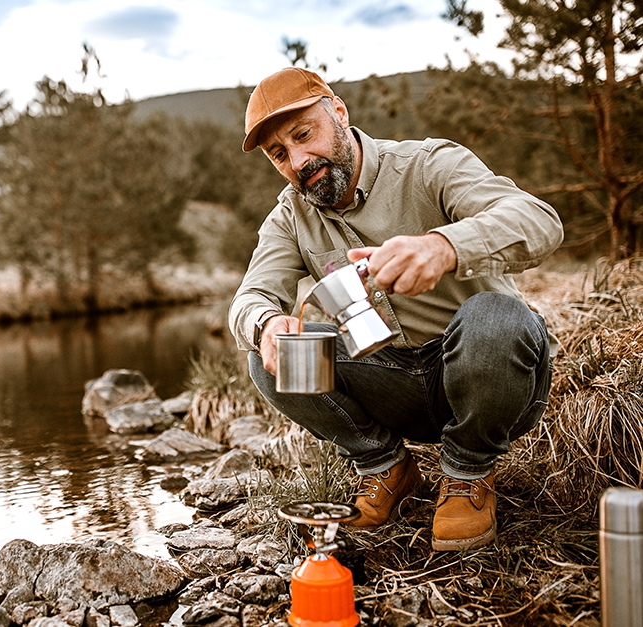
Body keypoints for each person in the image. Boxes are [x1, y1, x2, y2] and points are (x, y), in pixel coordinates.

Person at [228, 67, 563, 551]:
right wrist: (267, 322)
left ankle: (468, 471)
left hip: (488, 372)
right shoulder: (288, 218)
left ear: (338, 113)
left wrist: (444, 247)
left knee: (495, 316)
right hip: (392, 382)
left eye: (304, 135)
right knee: (268, 356)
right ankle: (386, 467)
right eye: (279, 154)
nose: (298, 160)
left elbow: (539, 221)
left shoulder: (431, 164)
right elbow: (249, 298)